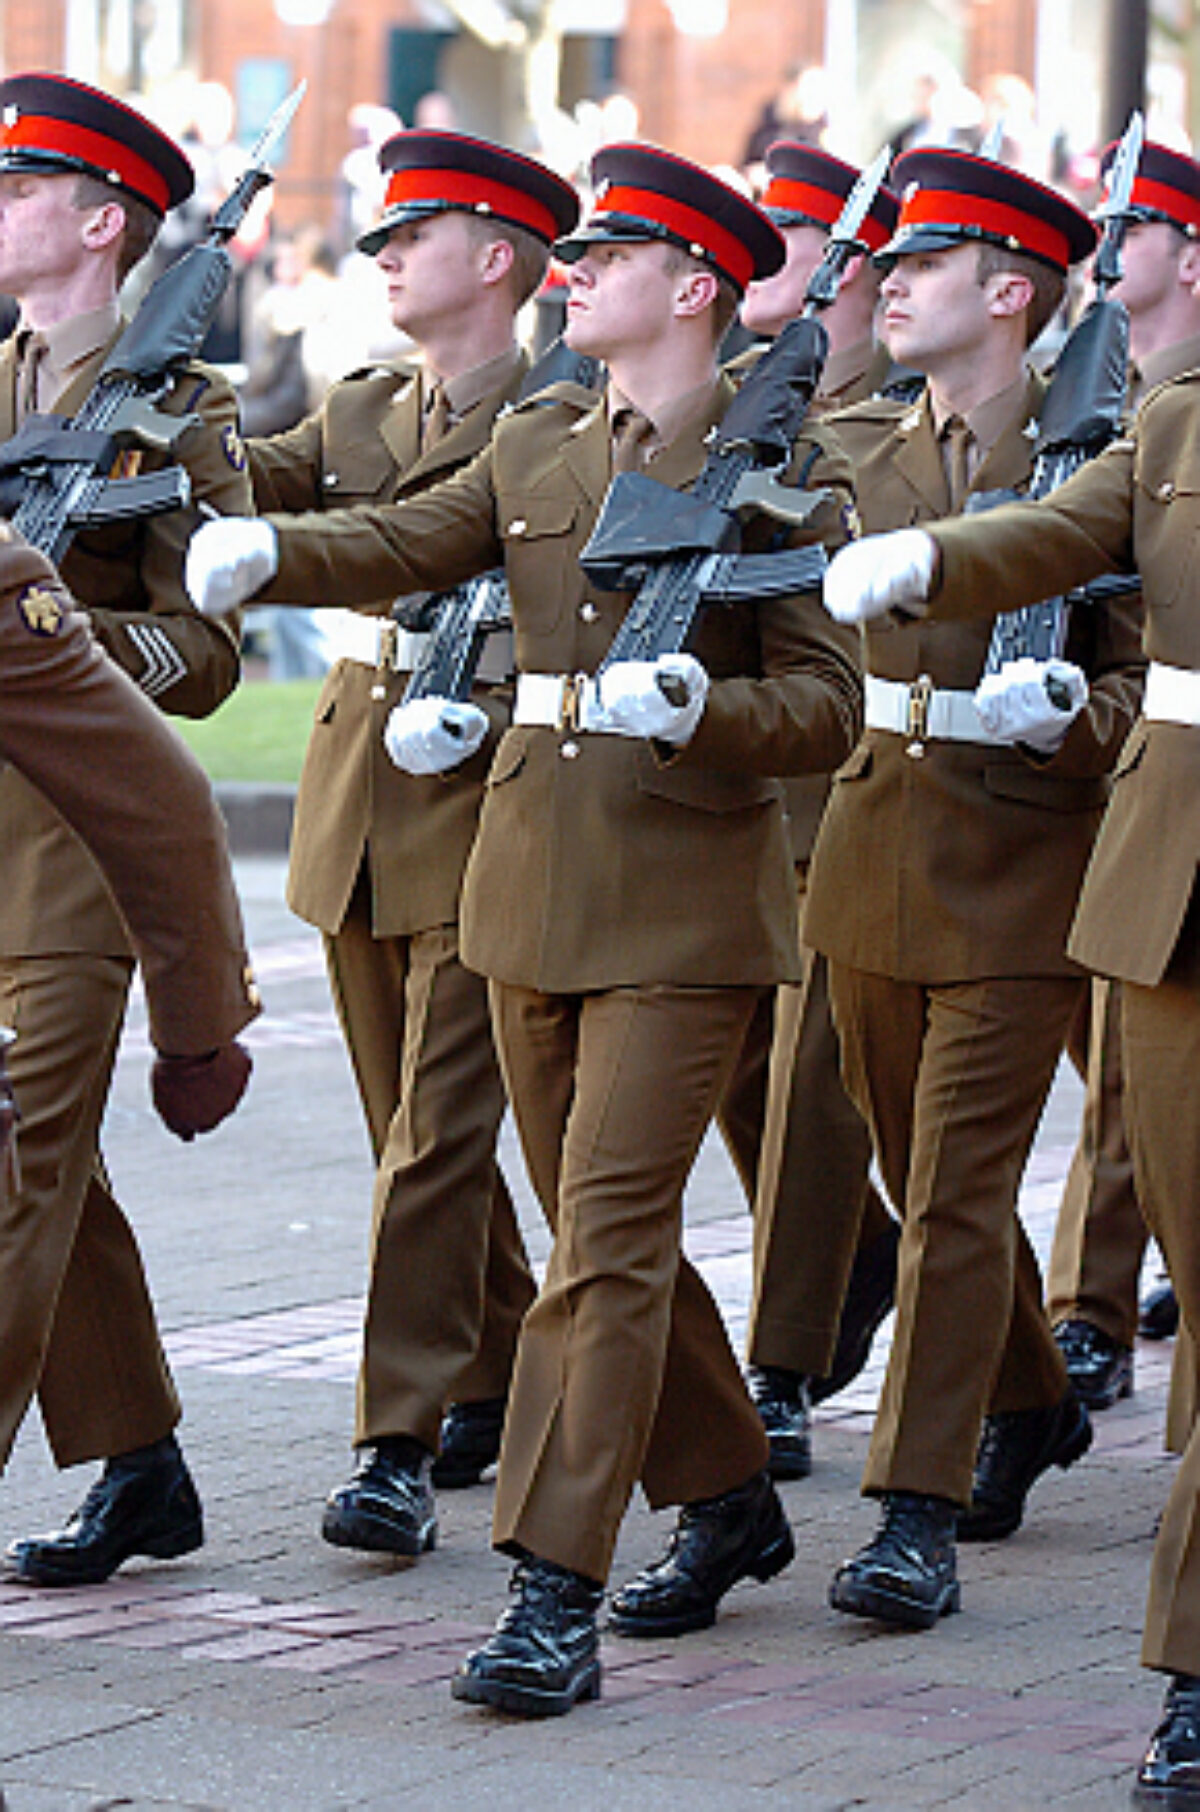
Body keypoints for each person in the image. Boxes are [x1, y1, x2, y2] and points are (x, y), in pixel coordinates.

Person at [186, 139, 862, 1716]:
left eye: (614, 254)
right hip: (522, 887)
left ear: (693, 290)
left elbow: (825, 707)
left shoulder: (786, 471)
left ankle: (550, 1586)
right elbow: (413, 541)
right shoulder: (548, 444)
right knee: (595, 1244)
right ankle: (729, 1493)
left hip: (688, 908)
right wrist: (267, 552)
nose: (582, 267)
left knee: (609, 1242)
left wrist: (708, 707)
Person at [818, 298, 1200, 1812]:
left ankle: (1180, 1672)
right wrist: (931, 560)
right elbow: (1061, 530)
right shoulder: (1174, 413)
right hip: (1172, 894)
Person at [803, 146, 1145, 1631]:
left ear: (1010, 295)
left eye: (921, 268)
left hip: (1023, 865)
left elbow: (1153, 686)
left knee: (954, 1195)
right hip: (871, 851)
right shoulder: (846, 451)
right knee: (911, 1177)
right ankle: (1027, 1393)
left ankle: (912, 1507)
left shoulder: (1106, 462)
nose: (885, 287)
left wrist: (1073, 715)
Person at [244, 130, 578, 1557]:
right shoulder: (371, 402)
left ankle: (393, 1438)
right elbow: (256, 477)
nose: (381, 254)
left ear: (495, 258)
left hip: (489, 798)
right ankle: (492, 1367)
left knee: (438, 1136)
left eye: (412, 235)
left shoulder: (567, 416)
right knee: (407, 1137)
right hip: (360, 812)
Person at [0, 72, 254, 1591]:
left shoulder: (183, 415)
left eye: (23, 187)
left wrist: (72, 650)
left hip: (78, 856)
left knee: (16, 1169)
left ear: (102, 225)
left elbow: (211, 655)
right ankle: (140, 1460)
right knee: (55, 1178)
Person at [720, 141, 903, 1479]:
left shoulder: (913, 421)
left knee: (812, 1092)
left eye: (781, 236)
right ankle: (909, 1282)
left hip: (861, 801)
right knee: (736, 1076)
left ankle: (779, 1368)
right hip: (734, 792)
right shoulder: (723, 408)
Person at [1046, 140, 1200, 1416]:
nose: (1107, 247)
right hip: (1100, 750)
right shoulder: (1092, 385)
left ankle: (1098, 1304)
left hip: (1147, 740)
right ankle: (1090, 1300)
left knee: (1134, 1063)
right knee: (1122, 1054)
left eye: (1131, 226)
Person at [0, 526, 258, 1117]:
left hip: (60, 871)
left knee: (42, 1168)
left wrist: (71, 631)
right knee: (39, 1185)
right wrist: (196, 1039)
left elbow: (205, 658)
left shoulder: (172, 435)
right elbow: (171, 814)